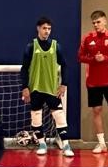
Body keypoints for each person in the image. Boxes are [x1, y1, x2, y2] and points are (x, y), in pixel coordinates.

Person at [19, 16, 74, 157]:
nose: (47, 31)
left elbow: (65, 66)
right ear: (38, 28)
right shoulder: (31, 47)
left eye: (49, 28)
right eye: (44, 28)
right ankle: (42, 143)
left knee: (59, 116)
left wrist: (64, 84)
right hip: (35, 88)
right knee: (36, 117)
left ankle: (66, 144)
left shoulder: (56, 46)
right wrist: (25, 87)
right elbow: (24, 69)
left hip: (52, 88)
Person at [78, 9, 108, 154]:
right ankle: (101, 144)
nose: (96, 25)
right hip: (93, 82)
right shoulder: (87, 38)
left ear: (105, 21)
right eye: (93, 23)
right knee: (96, 111)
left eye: (98, 22)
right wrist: (93, 59)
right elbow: (80, 57)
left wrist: (106, 59)